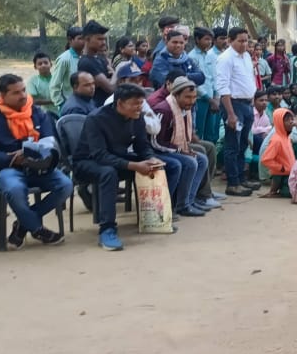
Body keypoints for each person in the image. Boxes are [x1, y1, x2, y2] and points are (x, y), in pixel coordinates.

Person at [73, 83, 175, 250]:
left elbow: (142, 146)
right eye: (135, 103)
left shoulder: (137, 117)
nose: (139, 108)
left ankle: (155, 219)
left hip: (116, 157)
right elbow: (100, 155)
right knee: (109, 173)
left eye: (141, 103)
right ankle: (107, 229)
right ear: (120, 103)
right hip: (87, 162)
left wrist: (150, 159)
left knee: (163, 167)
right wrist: (134, 165)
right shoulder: (96, 119)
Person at [0, 74, 72, 248]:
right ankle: (37, 229)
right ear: (3, 95)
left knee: (65, 185)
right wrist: (12, 158)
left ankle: (23, 224)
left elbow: (49, 140)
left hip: (38, 166)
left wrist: (32, 153)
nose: (22, 95)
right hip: (8, 167)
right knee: (14, 189)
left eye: (23, 90)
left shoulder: (36, 112)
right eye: (16, 93)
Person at [150, 78, 210, 217]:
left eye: (194, 97)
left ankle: (189, 200)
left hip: (171, 148)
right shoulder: (163, 110)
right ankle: (180, 205)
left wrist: (184, 149)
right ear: (176, 95)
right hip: (156, 151)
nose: (191, 101)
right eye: (187, 97)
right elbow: (155, 142)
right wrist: (179, 151)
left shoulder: (185, 109)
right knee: (189, 162)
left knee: (201, 159)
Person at [216, 27, 258, 197]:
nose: (244, 44)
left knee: (243, 145)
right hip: (233, 104)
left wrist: (252, 100)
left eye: (246, 40)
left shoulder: (246, 56)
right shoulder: (225, 59)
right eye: (240, 41)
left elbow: (249, 79)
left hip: (247, 104)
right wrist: (231, 114)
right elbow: (223, 87)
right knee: (232, 145)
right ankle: (233, 183)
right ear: (230, 40)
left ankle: (241, 178)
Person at [188, 27, 220, 143]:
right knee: (198, 131)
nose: (209, 42)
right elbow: (194, 82)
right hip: (200, 99)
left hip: (213, 99)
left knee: (211, 132)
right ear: (197, 39)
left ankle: (212, 159)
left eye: (210, 39)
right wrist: (209, 99)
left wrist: (216, 96)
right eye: (206, 39)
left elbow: (214, 77)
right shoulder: (191, 57)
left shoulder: (210, 55)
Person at [76, 20, 115, 106]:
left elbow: (112, 79)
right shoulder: (86, 63)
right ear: (87, 39)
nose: (103, 42)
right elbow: (111, 88)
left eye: (104, 39)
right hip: (97, 109)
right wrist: (119, 71)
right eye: (99, 39)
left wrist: (112, 77)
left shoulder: (100, 58)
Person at [259, 109, 296, 198]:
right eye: (287, 120)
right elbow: (266, 159)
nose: (291, 122)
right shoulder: (277, 140)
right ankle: (274, 192)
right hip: (281, 174)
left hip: (289, 172)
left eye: (291, 119)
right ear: (279, 122)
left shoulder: (286, 137)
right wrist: (281, 168)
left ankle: (274, 191)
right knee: (290, 193)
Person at [49, 26, 85, 113]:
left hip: (85, 103)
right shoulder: (64, 59)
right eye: (80, 38)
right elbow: (54, 85)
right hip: (71, 105)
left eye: (84, 38)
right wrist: (61, 104)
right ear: (70, 40)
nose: (83, 41)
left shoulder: (86, 57)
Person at [27, 51, 57, 116]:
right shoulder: (33, 81)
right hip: (42, 114)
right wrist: (53, 101)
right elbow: (33, 101)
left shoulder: (57, 78)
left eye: (46, 63)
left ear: (51, 64)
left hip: (60, 112)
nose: (43, 65)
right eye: (40, 64)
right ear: (35, 67)